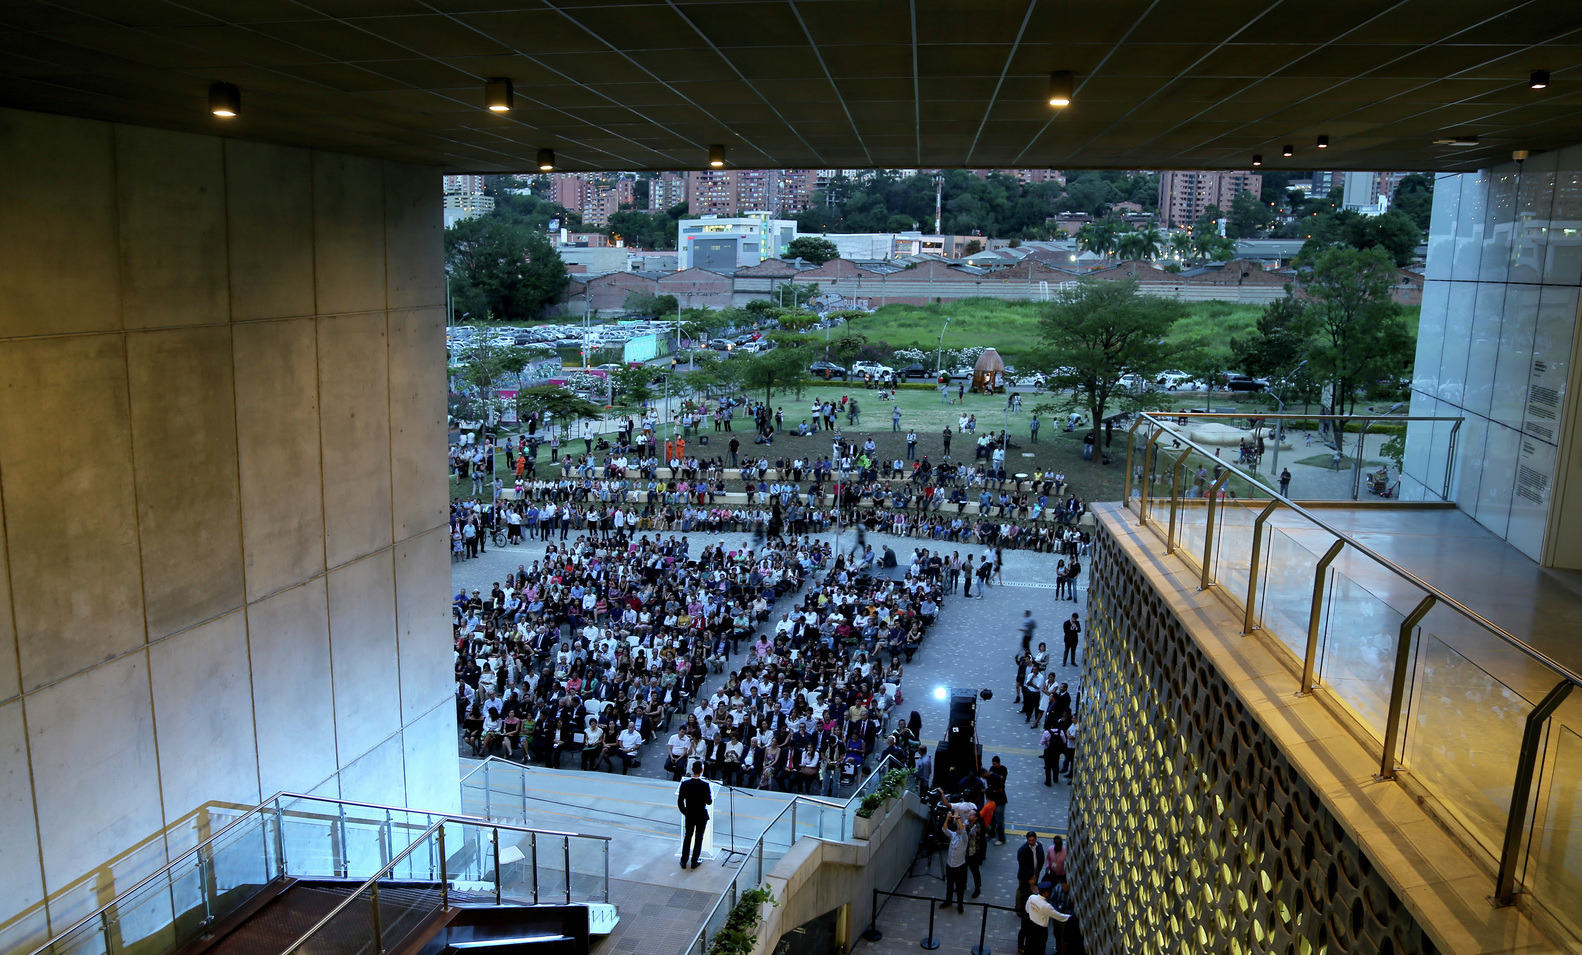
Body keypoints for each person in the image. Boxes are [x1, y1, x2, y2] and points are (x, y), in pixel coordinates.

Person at [677, 760, 712, 869]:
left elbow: (680, 801)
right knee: (698, 838)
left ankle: (684, 860)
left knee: (688, 837)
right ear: (702, 771)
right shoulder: (705, 785)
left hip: (690, 814)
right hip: (701, 814)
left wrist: (685, 812)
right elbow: (709, 801)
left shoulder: (685, 784)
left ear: (692, 770)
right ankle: (694, 861)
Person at [1023, 880, 1071, 955]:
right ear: (1045, 893)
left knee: (1029, 945)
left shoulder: (1032, 897)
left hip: (1031, 925)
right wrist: (1071, 917)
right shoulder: (1046, 906)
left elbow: (1027, 909)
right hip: (1040, 930)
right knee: (1040, 948)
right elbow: (1059, 916)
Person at [1015, 831, 1045, 953]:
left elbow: (1041, 858)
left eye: (1033, 840)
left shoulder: (1040, 846)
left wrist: (1036, 873)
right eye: (1029, 840)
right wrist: (1030, 876)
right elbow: (1022, 865)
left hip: (1034, 875)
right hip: (1025, 877)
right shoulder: (1022, 850)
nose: (1032, 842)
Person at [940, 812, 968, 913]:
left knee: (959, 887)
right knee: (949, 884)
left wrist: (959, 819)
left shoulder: (964, 839)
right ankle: (948, 901)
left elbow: (964, 831)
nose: (959, 828)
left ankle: (960, 905)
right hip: (950, 864)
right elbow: (944, 829)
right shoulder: (953, 835)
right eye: (958, 826)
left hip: (959, 866)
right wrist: (947, 818)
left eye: (961, 827)